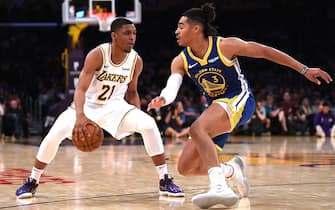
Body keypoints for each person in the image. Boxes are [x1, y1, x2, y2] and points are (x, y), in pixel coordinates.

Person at [147, 3, 333, 209]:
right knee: (186, 167)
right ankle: (231, 170)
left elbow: (264, 51)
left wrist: (304, 69)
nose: (176, 31)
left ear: (196, 28)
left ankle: (219, 187)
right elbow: (173, 85)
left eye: (181, 26)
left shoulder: (225, 45)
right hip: (217, 109)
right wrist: (163, 99)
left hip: (240, 100)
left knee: (197, 128)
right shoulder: (180, 60)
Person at [16, 18, 184, 199]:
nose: (132, 37)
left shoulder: (136, 61)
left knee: (149, 124)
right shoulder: (98, 55)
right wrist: (80, 116)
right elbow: (80, 89)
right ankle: (32, 180)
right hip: (86, 107)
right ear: (114, 35)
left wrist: (136, 112)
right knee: (54, 135)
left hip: (115, 107)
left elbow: (133, 91)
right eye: (127, 33)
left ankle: (164, 180)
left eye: (134, 33)